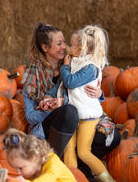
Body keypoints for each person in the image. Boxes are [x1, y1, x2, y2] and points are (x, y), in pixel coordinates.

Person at [21, 22, 120, 181]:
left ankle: (80, 170)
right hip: (50, 130)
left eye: (65, 42)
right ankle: (55, 162)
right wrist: (49, 106)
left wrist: (100, 93)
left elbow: (82, 90)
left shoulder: (73, 63)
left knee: (113, 137)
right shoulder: (33, 75)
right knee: (69, 112)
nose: (65, 47)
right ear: (46, 48)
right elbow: (31, 117)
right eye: (59, 44)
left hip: (80, 120)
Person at [61, 25, 115, 182]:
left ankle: (107, 179)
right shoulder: (78, 61)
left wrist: (65, 66)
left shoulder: (90, 68)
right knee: (69, 148)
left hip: (87, 116)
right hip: (73, 114)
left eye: (72, 45)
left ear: (82, 47)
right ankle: (71, 179)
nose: (69, 48)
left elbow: (70, 82)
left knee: (84, 152)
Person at [2, 128, 77, 181]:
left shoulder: (53, 162)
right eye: (16, 169)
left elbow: (49, 177)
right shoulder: (32, 173)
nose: (18, 172)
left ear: (34, 157)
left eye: (20, 168)